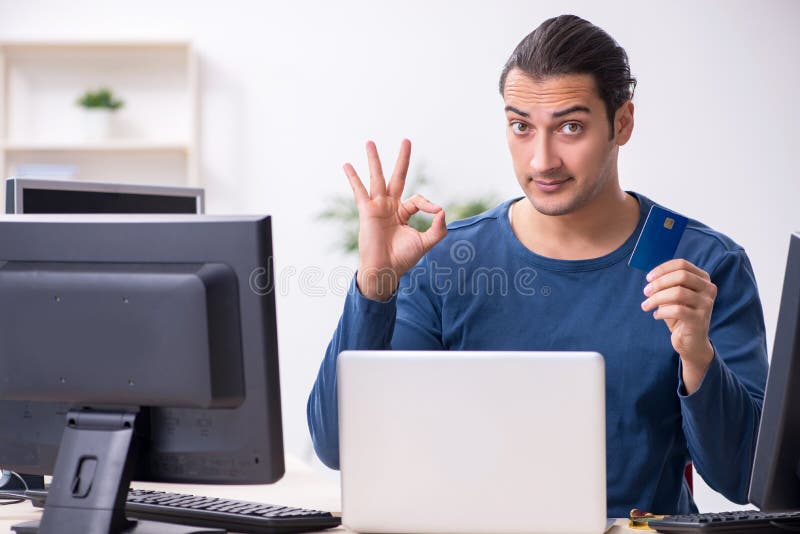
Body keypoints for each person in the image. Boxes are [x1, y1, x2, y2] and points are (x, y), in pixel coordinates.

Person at [307, 14, 768, 516]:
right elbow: (339, 450)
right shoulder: (446, 261)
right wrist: (374, 283)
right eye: (521, 127)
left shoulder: (697, 264)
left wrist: (698, 356)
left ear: (622, 123)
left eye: (570, 127)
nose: (541, 160)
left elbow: (746, 478)